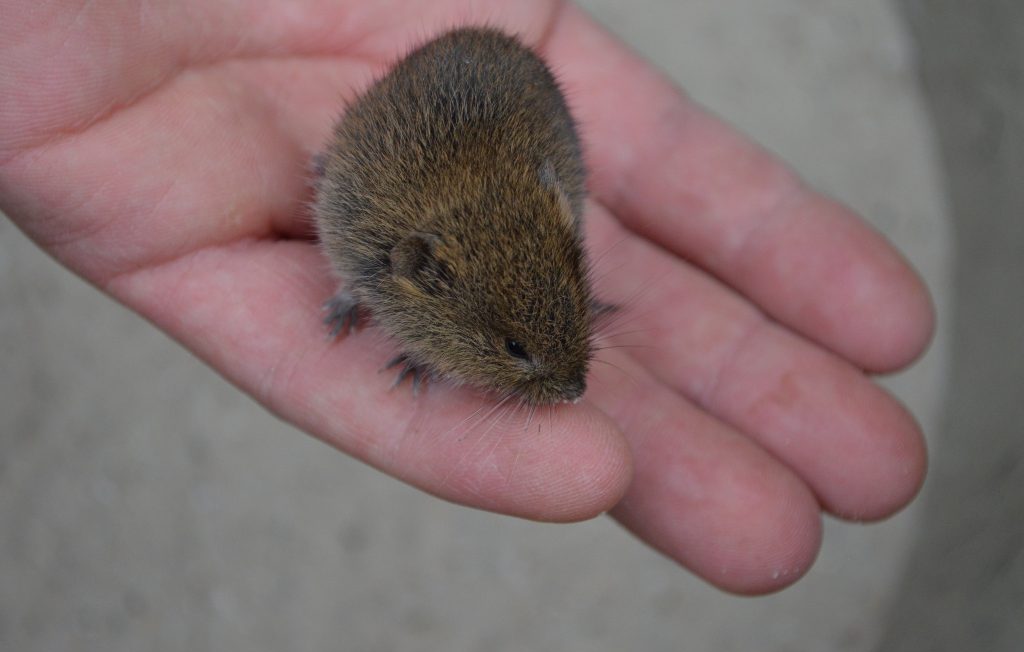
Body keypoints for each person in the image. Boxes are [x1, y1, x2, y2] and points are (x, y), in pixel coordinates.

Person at [0, 1, 933, 594]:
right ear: (420, 278)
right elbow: (380, 255)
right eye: (528, 358)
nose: (564, 387)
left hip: (503, 119)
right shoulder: (393, 249)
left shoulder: (535, 209)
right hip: (444, 140)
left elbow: (539, 210)